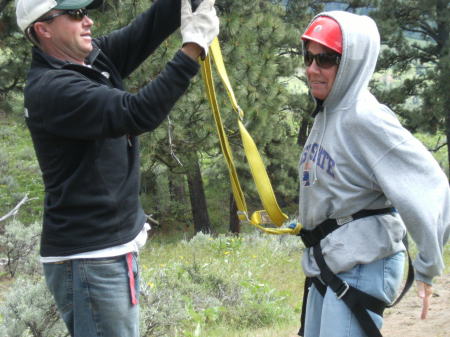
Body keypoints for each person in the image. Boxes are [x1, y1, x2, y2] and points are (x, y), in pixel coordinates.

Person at [15, 0, 219, 336]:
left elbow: (152, 25)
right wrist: (193, 47)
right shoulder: (54, 89)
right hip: (93, 258)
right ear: (43, 29)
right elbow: (137, 113)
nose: (89, 21)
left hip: (101, 253)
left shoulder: (90, 59)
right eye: (76, 15)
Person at [297, 11, 450, 337]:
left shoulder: (364, 117)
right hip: (330, 262)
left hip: (362, 263)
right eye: (308, 57)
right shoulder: (328, 113)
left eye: (325, 59)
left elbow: (431, 184)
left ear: (351, 62)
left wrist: (427, 266)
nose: (312, 68)